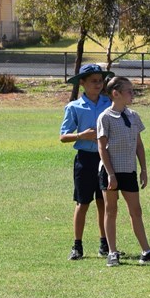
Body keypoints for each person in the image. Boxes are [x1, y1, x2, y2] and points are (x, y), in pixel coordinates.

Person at [96, 76, 150, 266]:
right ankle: (112, 252)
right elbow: (102, 147)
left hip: (129, 170)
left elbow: (139, 144)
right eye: (129, 91)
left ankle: (146, 251)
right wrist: (110, 174)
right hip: (110, 171)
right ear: (115, 94)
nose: (132, 94)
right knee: (111, 210)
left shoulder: (134, 116)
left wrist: (143, 169)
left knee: (136, 211)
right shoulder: (105, 117)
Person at [60, 63, 112, 260]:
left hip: (105, 158)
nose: (98, 84)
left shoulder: (108, 103)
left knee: (104, 203)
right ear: (82, 83)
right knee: (83, 203)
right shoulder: (74, 107)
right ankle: (77, 246)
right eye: (93, 81)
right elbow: (63, 136)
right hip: (85, 159)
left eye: (100, 81)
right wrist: (82, 135)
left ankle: (105, 243)